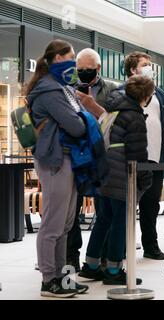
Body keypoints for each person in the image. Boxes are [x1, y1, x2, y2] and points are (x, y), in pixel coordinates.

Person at [26, 39, 91, 297]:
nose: (74, 63)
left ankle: (62, 278)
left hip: (67, 159)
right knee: (53, 224)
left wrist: (80, 119)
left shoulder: (62, 88)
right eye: (70, 57)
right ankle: (48, 280)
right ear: (56, 59)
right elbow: (76, 125)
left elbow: (77, 120)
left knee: (65, 223)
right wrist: (82, 121)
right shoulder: (49, 90)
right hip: (54, 160)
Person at [79, 75, 154, 285]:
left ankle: (91, 265)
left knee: (104, 219)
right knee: (121, 222)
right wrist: (144, 178)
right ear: (146, 97)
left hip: (104, 173)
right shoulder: (135, 117)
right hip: (122, 175)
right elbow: (137, 153)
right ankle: (113, 270)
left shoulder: (113, 110)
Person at [114, 52, 164, 261]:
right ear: (133, 70)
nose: (150, 68)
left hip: (154, 159)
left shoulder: (160, 95)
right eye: (145, 64)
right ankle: (120, 246)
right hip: (128, 159)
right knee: (125, 205)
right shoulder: (120, 93)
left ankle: (151, 244)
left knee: (151, 205)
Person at [66, 48, 118, 272]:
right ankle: (70, 257)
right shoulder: (67, 89)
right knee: (71, 210)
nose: (84, 73)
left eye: (88, 69)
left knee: (105, 210)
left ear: (98, 68)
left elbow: (116, 121)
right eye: (80, 70)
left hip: (102, 157)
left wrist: (93, 106)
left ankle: (102, 257)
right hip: (75, 156)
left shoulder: (113, 90)